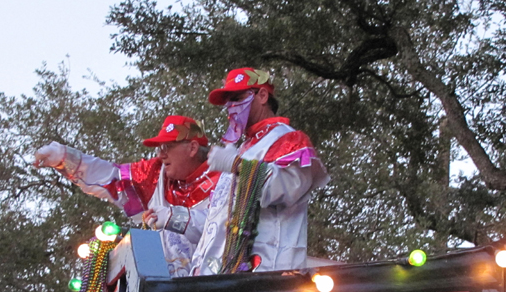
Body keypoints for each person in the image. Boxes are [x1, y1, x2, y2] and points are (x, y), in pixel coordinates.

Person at [34, 115, 220, 278]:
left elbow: (225, 227)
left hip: (217, 286)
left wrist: (174, 217)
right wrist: (62, 158)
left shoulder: (226, 177)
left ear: (193, 148)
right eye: (159, 147)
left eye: (167, 146)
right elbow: (110, 177)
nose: (161, 154)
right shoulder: (156, 173)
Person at [185, 68, 329, 275]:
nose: (231, 108)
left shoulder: (287, 139)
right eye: (228, 103)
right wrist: (175, 217)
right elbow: (217, 221)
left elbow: (284, 188)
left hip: (267, 275)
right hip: (220, 280)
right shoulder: (244, 150)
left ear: (262, 95)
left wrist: (235, 165)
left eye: (237, 98)